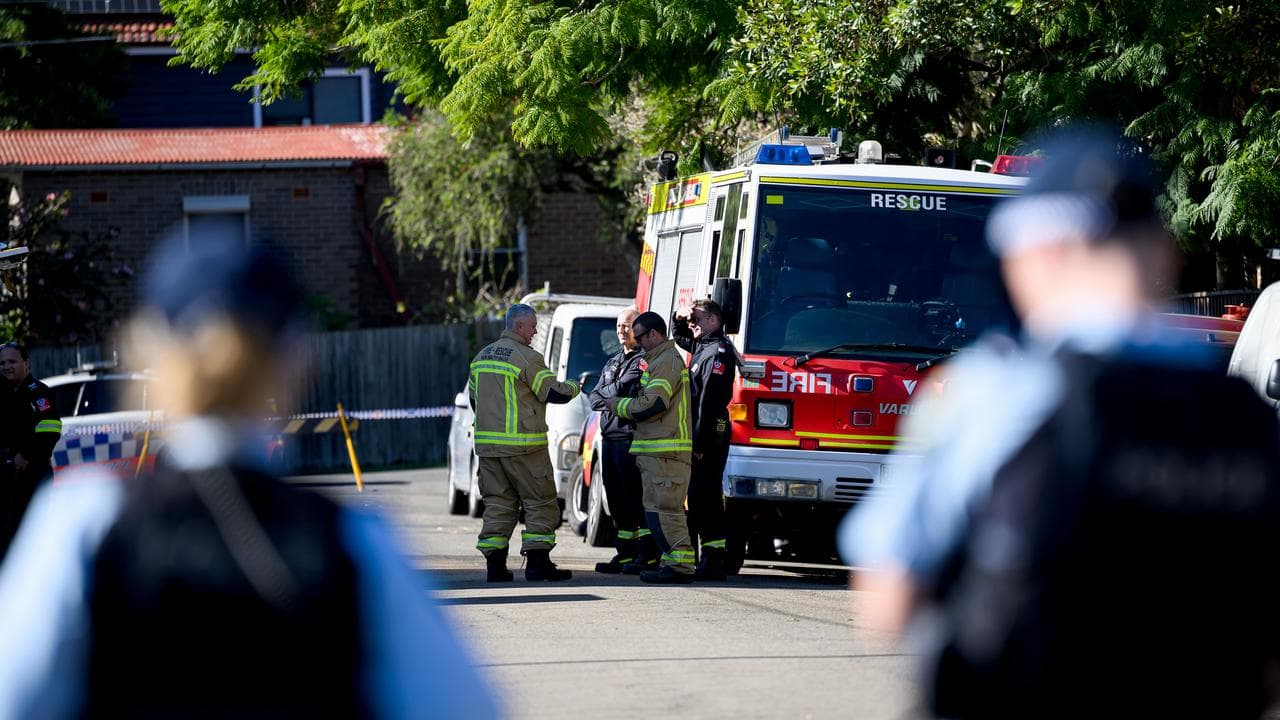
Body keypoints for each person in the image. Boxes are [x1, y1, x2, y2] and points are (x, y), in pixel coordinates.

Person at [839, 125, 1280, 718]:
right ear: (1163, 253)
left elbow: (887, 598)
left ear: (1039, 255)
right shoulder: (1249, 421)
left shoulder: (990, 393)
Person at [0, 235, 499, 718]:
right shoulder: (353, 543)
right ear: (298, 355)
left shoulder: (83, 525)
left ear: (148, 347)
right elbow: (463, 706)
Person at [470, 303, 580, 582]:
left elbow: (475, 400)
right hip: (524, 447)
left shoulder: (480, 357)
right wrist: (577, 386)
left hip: (488, 449)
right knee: (540, 502)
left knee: (498, 504)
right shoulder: (526, 357)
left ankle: (495, 569)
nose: (535, 331)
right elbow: (553, 392)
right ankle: (538, 565)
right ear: (519, 325)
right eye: (532, 326)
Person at [608, 311, 695, 584]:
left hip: (666, 452)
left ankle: (680, 566)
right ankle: (671, 563)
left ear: (655, 334)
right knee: (658, 509)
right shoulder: (655, 360)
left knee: (667, 509)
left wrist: (619, 406)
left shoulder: (666, 361)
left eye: (641, 335)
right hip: (655, 451)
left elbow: (654, 403)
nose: (637, 340)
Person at [672, 300, 737, 580]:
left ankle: (713, 561)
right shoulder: (703, 346)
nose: (691, 324)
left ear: (714, 319)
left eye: (696, 319)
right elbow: (679, 336)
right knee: (698, 498)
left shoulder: (718, 352)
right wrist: (679, 316)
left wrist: (698, 444)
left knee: (707, 498)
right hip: (703, 432)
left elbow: (708, 404)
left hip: (711, 433)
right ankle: (707, 559)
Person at [587, 306, 653, 574]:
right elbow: (594, 397)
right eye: (618, 326)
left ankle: (645, 555)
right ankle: (625, 554)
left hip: (630, 438)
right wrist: (607, 395)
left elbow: (626, 387)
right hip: (609, 438)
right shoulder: (613, 360)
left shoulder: (642, 360)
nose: (621, 330)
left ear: (638, 329)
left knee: (634, 499)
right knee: (615, 501)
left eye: (627, 325)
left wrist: (607, 393)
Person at [0, 341, 61, 563]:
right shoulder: (3, 393)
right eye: (2, 363)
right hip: (6, 479)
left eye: (12, 361)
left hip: (32, 476)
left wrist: (25, 455)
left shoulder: (37, 393)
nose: (6, 367)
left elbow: (51, 428)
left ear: (26, 364)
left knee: (33, 535)